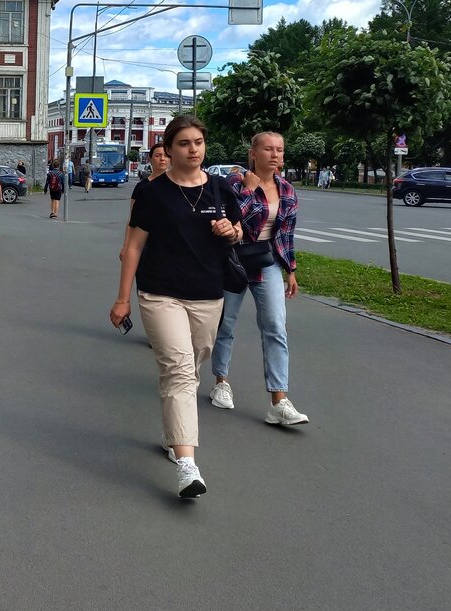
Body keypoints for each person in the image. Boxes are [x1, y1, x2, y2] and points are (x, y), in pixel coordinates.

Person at [109, 115, 242, 499]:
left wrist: (230, 231)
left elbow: (238, 231)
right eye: (184, 143)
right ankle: (187, 466)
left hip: (208, 294)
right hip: (160, 293)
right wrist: (122, 298)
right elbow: (133, 247)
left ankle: (175, 434)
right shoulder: (154, 192)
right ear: (168, 149)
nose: (193, 149)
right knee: (180, 368)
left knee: (191, 366)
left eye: (198, 142)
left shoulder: (220, 188)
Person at [209, 131, 309, 426]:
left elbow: (286, 234)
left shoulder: (287, 190)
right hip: (232, 260)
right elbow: (232, 221)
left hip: (266, 264)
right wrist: (250, 192)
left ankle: (279, 401)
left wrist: (290, 269)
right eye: (268, 149)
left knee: (276, 327)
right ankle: (221, 383)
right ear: (253, 153)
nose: (275, 155)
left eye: (279, 149)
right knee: (225, 325)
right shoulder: (234, 184)